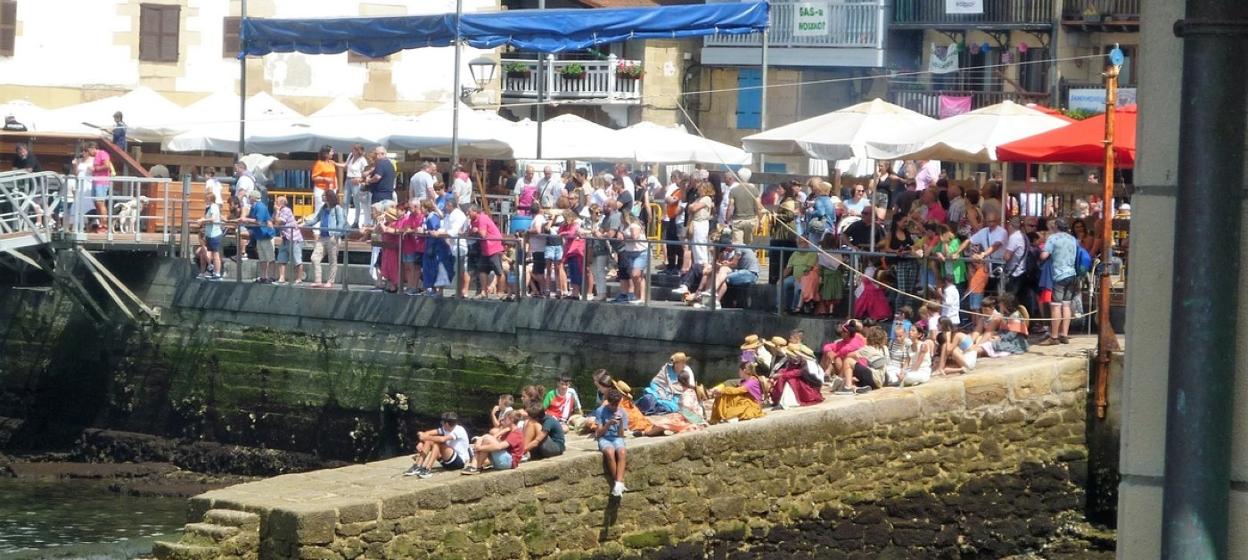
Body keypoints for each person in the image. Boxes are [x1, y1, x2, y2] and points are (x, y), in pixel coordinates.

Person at [1039, 218, 1079, 345]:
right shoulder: (1072, 239)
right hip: (1072, 274)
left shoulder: (1053, 238)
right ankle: (1064, 335)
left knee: (1056, 306)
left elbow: (1043, 255)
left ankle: (1054, 337)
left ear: (1056, 226)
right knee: (1066, 305)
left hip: (1059, 275)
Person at [405, 412, 471, 478]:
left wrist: (424, 437)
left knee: (437, 443)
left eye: (442, 422)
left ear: (447, 424)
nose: (441, 424)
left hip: (459, 463)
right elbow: (428, 433)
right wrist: (422, 442)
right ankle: (418, 466)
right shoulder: (445, 429)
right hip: (447, 461)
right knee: (429, 441)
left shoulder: (459, 430)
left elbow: (442, 439)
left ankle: (427, 469)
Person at [461, 410, 525, 475]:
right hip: (505, 460)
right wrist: (503, 431)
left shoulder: (516, 434)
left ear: (511, 420)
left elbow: (499, 447)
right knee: (486, 438)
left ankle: (476, 467)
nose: (502, 421)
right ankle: (475, 466)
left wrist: (479, 448)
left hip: (509, 462)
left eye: (505, 419)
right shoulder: (508, 431)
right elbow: (494, 439)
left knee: (487, 438)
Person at [594, 389, 629, 497]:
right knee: (610, 452)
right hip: (604, 438)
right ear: (608, 402)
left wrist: (621, 423)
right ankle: (618, 483)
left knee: (622, 452)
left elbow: (621, 435)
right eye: (612, 405)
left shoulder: (622, 412)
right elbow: (598, 434)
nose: (614, 407)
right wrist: (608, 423)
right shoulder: (600, 411)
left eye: (616, 404)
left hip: (616, 437)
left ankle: (618, 484)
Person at [712, 230, 759, 308]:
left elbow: (734, 264)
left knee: (725, 277)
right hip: (743, 272)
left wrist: (723, 264)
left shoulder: (738, 247)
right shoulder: (736, 250)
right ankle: (716, 300)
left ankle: (714, 294)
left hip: (750, 274)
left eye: (725, 249)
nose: (725, 252)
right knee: (722, 276)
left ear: (728, 246)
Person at [468, 204, 504, 298]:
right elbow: (471, 232)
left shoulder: (482, 218)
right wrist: (473, 231)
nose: (468, 213)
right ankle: (484, 292)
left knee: (499, 271)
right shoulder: (473, 221)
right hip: (485, 249)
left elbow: (483, 234)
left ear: (475, 211)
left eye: (470, 212)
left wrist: (476, 230)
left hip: (493, 247)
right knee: (482, 270)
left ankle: (500, 292)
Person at [240, 190, 275, 283]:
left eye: (249, 197)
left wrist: (246, 219)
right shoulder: (254, 207)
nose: (248, 198)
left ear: (253, 198)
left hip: (266, 235)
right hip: (259, 236)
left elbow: (258, 221)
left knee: (270, 257)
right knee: (262, 258)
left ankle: (271, 277)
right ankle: (263, 276)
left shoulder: (260, 207)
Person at [273, 196, 304, 285]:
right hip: (285, 238)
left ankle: (299, 278)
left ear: (281, 203)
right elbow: (275, 221)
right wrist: (276, 213)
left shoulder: (286, 210)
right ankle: (281, 278)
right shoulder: (278, 212)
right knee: (282, 257)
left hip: (294, 238)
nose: (275, 203)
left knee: (297, 259)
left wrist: (277, 212)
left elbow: (279, 222)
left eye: (277, 201)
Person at [726, 168, 761, 244]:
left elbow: (730, 207)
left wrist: (727, 219)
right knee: (748, 244)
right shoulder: (754, 190)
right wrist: (760, 220)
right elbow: (758, 207)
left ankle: (739, 254)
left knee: (738, 245)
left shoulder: (734, 190)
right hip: (751, 220)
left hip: (737, 220)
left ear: (738, 176)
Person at [86, 142, 113, 232]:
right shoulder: (95, 157)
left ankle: (104, 225)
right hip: (96, 181)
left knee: (101, 202)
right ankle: (100, 223)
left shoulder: (102, 153)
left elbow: (107, 165)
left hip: (102, 182)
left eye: (88, 150)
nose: (88, 152)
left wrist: (96, 169)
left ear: (92, 148)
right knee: (97, 203)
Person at [198, 189, 224, 280]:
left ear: (210, 199)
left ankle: (217, 273)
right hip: (209, 234)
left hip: (214, 234)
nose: (205, 200)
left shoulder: (214, 207)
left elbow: (213, 219)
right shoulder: (208, 207)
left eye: (206, 198)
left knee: (216, 254)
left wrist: (203, 220)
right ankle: (211, 270)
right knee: (210, 253)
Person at [233, 160, 255, 258]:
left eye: (235, 169)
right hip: (247, 207)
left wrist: (235, 205)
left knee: (240, 229)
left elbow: (241, 193)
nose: (234, 172)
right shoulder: (250, 178)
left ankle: (242, 253)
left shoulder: (244, 179)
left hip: (244, 207)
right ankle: (243, 251)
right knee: (243, 229)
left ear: (239, 168)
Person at [344, 144, 369, 228]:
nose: (352, 151)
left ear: (358, 151)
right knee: (345, 201)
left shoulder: (362, 160)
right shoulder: (350, 156)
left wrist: (360, 179)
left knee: (356, 202)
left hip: (356, 181)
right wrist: (335, 163)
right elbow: (345, 165)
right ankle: (344, 220)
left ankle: (356, 221)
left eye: (354, 149)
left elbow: (366, 172)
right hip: (348, 179)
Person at [310, 145, 339, 218]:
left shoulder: (331, 163)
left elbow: (334, 175)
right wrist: (325, 179)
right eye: (331, 152)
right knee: (320, 207)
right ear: (326, 153)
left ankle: (330, 226)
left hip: (332, 189)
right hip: (321, 189)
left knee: (331, 208)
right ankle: (317, 227)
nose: (333, 153)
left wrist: (337, 186)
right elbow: (314, 177)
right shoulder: (319, 163)